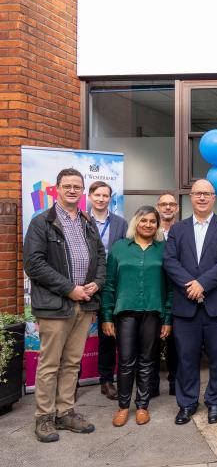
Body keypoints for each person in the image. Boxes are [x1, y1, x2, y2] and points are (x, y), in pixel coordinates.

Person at [23, 168, 105, 442]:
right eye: (67, 186)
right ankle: (44, 418)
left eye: (77, 186)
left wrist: (97, 283)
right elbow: (34, 264)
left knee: (71, 363)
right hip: (56, 305)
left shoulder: (87, 222)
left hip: (85, 303)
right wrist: (70, 289)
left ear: (83, 191)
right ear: (57, 188)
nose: (72, 190)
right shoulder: (42, 222)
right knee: (49, 364)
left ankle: (65, 411)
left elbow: (101, 258)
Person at [164, 179, 217, 426]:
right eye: (198, 193)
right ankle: (187, 404)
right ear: (191, 197)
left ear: (214, 197)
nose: (202, 198)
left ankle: (216, 402)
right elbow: (170, 262)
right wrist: (192, 285)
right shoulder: (177, 229)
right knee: (186, 358)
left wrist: (202, 284)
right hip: (186, 307)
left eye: (207, 193)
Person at [100, 206, 172, 427]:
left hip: (153, 312)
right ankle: (123, 407)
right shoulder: (119, 248)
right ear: (135, 223)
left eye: (152, 221)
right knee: (125, 361)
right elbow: (109, 284)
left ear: (157, 225)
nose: (148, 225)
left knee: (147, 361)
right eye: (144, 221)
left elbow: (170, 288)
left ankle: (142, 406)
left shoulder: (164, 249)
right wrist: (106, 316)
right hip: (125, 313)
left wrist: (168, 319)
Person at [87, 181, 128, 402]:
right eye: (98, 195)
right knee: (76, 335)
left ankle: (106, 380)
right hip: (86, 284)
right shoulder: (81, 220)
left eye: (106, 195)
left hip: (113, 285)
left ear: (110, 199)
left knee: (108, 335)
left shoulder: (121, 224)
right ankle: (70, 383)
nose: (102, 199)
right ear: (91, 196)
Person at [152, 193, 179, 396]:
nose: (168, 208)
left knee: (175, 342)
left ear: (177, 208)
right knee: (151, 340)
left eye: (171, 204)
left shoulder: (183, 229)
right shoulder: (150, 229)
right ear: (158, 207)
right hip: (154, 291)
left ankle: (175, 381)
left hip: (178, 292)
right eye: (164, 204)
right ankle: (151, 383)